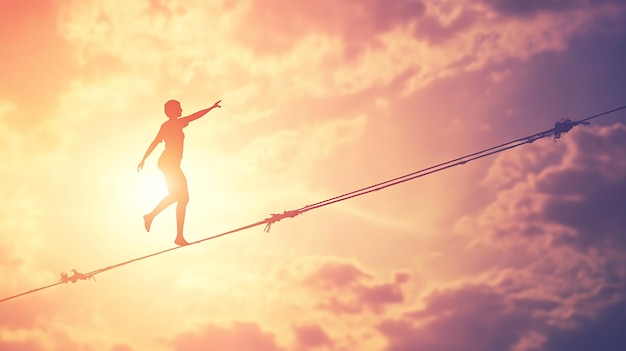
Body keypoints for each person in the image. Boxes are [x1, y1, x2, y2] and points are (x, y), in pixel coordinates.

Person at [137, 99, 221, 246]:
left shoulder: (169, 125)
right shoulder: (174, 124)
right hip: (169, 163)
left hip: (168, 163)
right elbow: (195, 116)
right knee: (182, 197)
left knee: (180, 197)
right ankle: (174, 233)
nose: (182, 110)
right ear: (174, 111)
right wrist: (211, 108)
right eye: (179, 108)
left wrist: (143, 159)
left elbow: (155, 142)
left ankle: (153, 218)